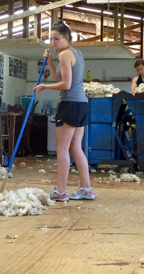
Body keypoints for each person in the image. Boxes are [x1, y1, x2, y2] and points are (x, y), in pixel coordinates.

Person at [34, 22, 95, 202]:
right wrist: (51, 62)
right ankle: (86, 189)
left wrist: (44, 86)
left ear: (66, 37)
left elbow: (66, 85)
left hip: (70, 103)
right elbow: (59, 78)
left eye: (56, 38)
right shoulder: (76, 53)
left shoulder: (66, 54)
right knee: (75, 147)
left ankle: (61, 191)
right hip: (81, 104)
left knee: (61, 148)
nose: (53, 42)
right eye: (51, 39)